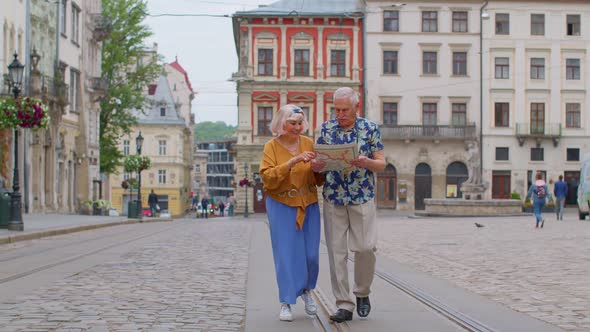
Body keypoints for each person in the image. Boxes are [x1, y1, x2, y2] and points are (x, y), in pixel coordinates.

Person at [311, 87, 386, 322]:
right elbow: (320, 161)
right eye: (337, 109)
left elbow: (382, 163)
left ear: (356, 107)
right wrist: (317, 166)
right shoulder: (326, 128)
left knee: (365, 247)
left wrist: (366, 162)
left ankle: (362, 291)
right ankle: (344, 304)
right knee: (336, 253)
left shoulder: (370, 128)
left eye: (345, 109)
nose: (340, 114)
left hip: (362, 195)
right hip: (333, 197)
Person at [260, 104, 324, 322]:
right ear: (282, 124)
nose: (297, 128)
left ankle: (307, 291)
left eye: (300, 123)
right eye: (293, 123)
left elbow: (318, 179)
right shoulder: (271, 147)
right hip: (281, 205)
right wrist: (293, 161)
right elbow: (267, 177)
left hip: (309, 203)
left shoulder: (308, 143)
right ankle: (286, 301)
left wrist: (320, 169)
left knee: (311, 255)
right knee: (286, 255)